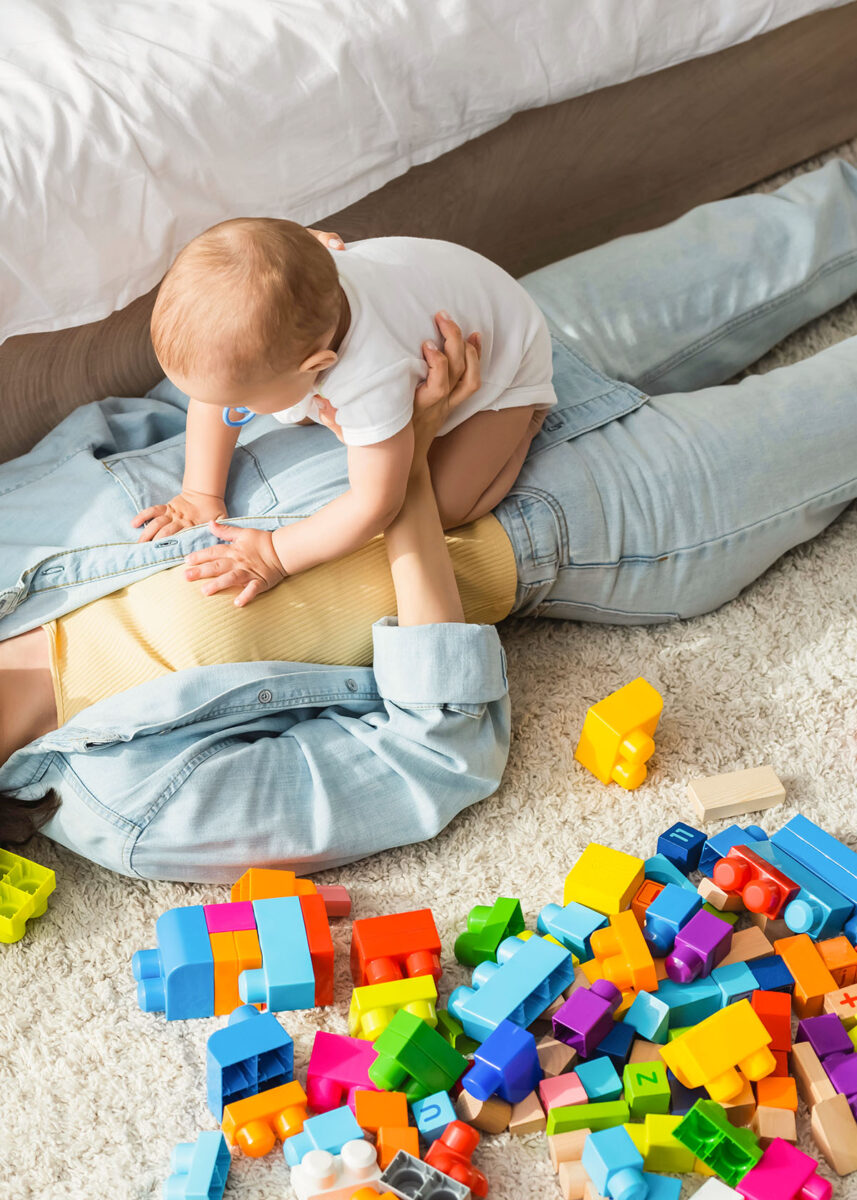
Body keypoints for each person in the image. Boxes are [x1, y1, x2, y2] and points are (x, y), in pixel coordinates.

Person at [1, 157, 856, 882]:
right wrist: (407, 449)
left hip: (466, 346)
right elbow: (435, 758)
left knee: (812, 220)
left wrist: (318, 293)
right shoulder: (137, 807)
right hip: (586, 518)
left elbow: (174, 395)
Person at [0, 327, 511, 882]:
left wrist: (298, 315)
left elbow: (169, 405)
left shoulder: (11, 532)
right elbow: (436, 757)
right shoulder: (130, 805)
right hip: (567, 503)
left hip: (411, 353)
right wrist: (401, 469)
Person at [133, 219, 556, 605]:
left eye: (238, 403)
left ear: (317, 366)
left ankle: (528, 419)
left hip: (505, 362)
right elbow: (214, 396)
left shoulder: (372, 375)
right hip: (450, 283)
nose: (224, 411)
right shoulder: (309, 282)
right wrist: (199, 494)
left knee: (445, 504)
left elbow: (377, 504)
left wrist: (277, 553)